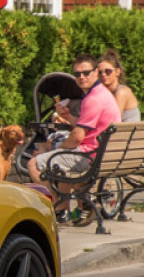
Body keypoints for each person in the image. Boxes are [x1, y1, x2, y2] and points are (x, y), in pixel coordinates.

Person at [27, 53, 121, 221]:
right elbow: (88, 126)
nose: (81, 77)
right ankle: (64, 209)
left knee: (33, 163)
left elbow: (77, 137)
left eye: (86, 72)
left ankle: (56, 206)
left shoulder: (93, 99)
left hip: (90, 156)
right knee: (61, 161)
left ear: (95, 72)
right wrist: (70, 117)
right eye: (77, 74)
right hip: (103, 154)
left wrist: (58, 148)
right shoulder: (103, 94)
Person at [98, 49, 140, 122]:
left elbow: (113, 119)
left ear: (117, 72)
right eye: (100, 72)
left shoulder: (121, 92)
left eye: (108, 71)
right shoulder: (106, 93)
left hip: (128, 132)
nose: (103, 75)